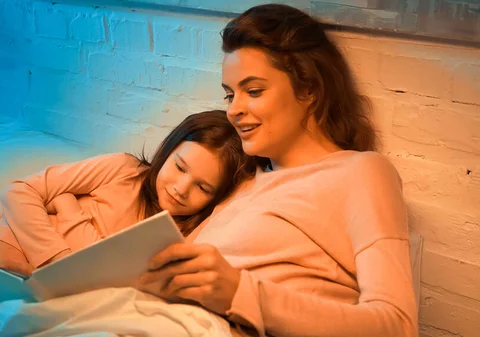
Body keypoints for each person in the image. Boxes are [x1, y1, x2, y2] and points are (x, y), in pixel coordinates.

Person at [136, 4, 418, 337]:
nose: (234, 110)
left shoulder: (362, 172)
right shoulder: (243, 179)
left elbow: (398, 326)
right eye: (230, 95)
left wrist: (240, 292)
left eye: (253, 91)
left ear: (309, 89)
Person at [0, 110, 259, 281]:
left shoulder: (181, 236)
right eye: (180, 167)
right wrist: (57, 259)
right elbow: (19, 191)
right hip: (6, 245)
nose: (181, 188)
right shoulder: (124, 169)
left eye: (203, 187)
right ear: (168, 150)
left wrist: (68, 208)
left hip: (58, 285)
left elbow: (103, 273)